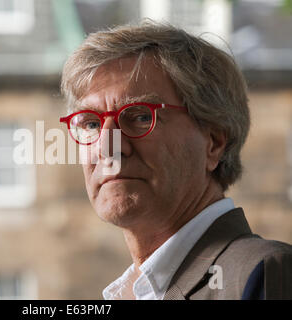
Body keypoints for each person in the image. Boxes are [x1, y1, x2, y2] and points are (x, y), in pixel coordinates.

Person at [59, 20, 292, 300]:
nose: (108, 148)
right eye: (91, 124)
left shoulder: (263, 273)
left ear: (214, 143)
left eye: (141, 116)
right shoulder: (125, 293)